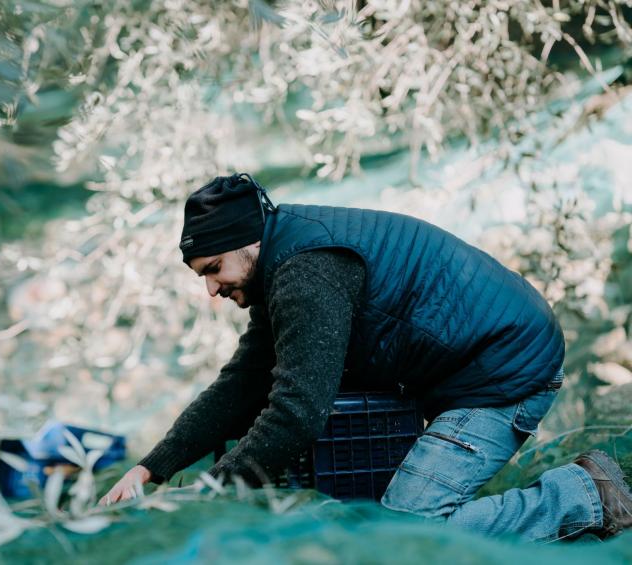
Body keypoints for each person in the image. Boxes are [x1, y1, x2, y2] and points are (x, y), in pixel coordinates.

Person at [101, 174, 632, 541]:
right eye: (202, 276)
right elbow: (242, 384)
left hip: (505, 373)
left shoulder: (306, 273)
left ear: (248, 244)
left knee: (409, 529)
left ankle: (581, 493)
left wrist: (212, 493)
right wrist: (153, 468)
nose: (212, 290)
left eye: (214, 268)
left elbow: (296, 415)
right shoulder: (282, 263)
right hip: (464, 373)